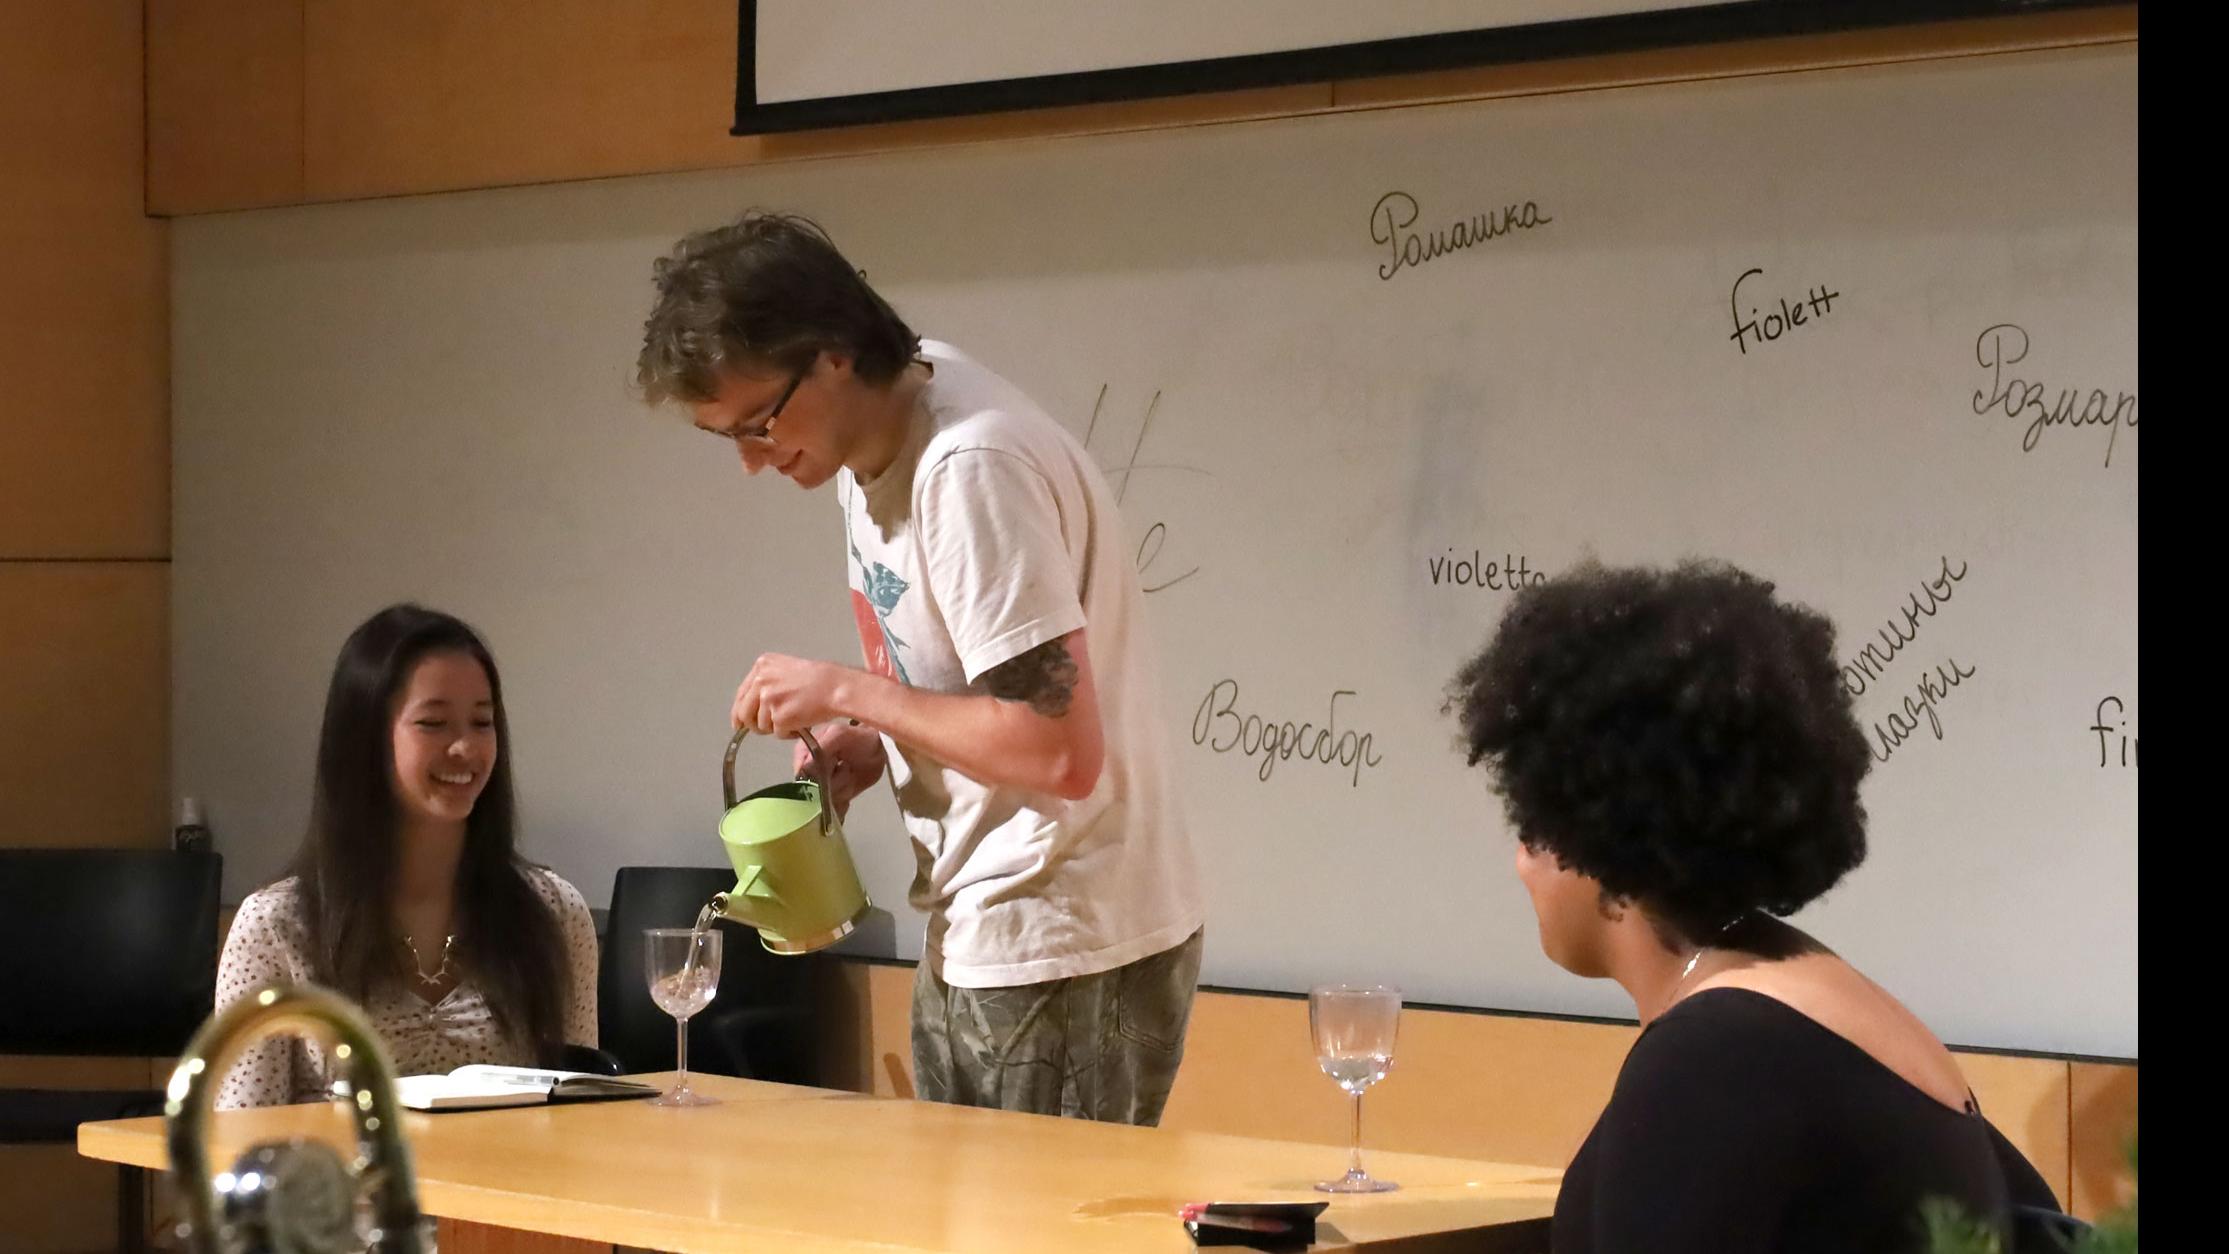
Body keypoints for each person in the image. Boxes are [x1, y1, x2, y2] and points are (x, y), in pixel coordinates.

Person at [636, 211, 1204, 1125]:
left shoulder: (968, 468)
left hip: (1056, 934)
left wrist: (848, 690)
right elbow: (984, 693)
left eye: (758, 424)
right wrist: (875, 739)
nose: (750, 461)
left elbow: (1059, 751)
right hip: (992, 922)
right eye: (726, 437)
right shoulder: (877, 436)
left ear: (831, 353)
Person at [1445, 559, 2059, 1252]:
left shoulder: (1714, 1057)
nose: (1520, 864)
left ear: (1600, 840)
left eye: (1533, 830)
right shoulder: (1817, 997)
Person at [214, 604, 598, 1108]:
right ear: (366, 741)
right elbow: (239, 1142)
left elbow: (584, 1116)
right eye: (433, 723)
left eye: (481, 723)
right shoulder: (277, 926)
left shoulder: (553, 911)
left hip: (497, 1186)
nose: (465, 747)